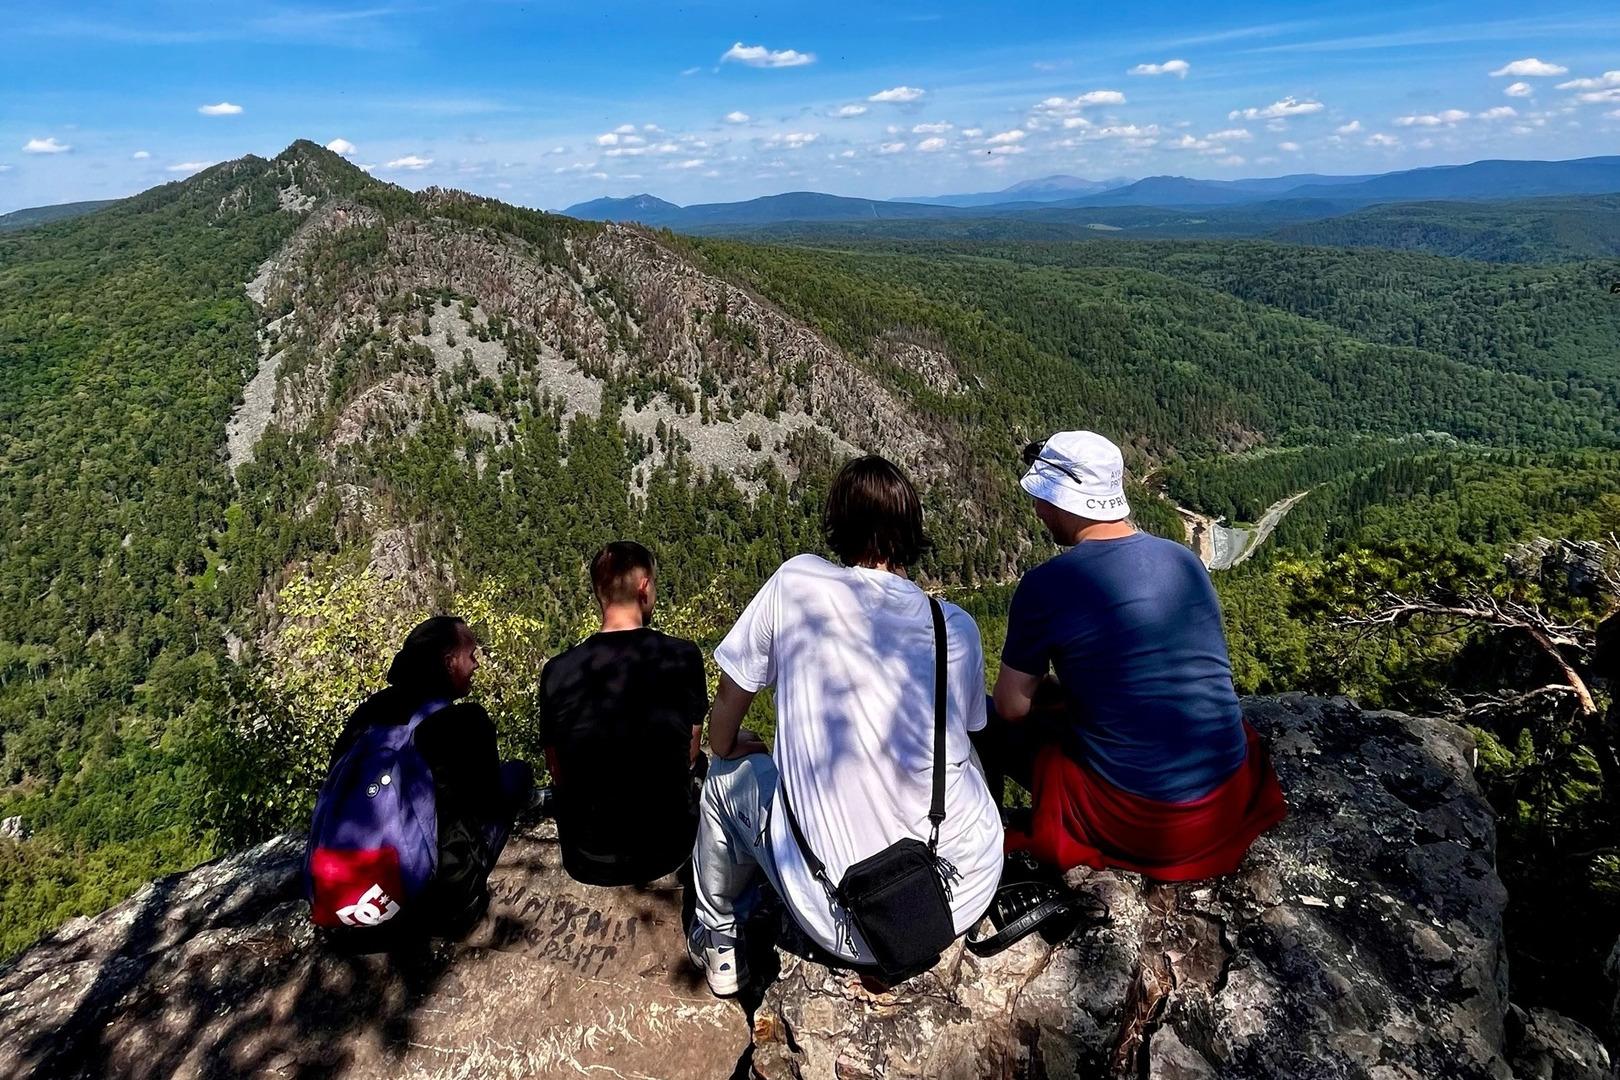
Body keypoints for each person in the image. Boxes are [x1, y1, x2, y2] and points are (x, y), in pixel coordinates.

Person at [687, 455, 1003, 996]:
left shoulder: (797, 583)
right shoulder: (953, 626)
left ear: (839, 526)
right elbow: (974, 729)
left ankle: (718, 938)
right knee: (961, 750)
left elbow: (729, 704)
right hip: (964, 886)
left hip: (838, 915)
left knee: (720, 782)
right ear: (911, 533)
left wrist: (728, 746)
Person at [985, 431, 1286, 882]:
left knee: (982, 717)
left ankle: (978, 838)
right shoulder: (1184, 561)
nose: (1037, 509)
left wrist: (1047, 692)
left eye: (1041, 497)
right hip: (1226, 800)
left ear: (1063, 502)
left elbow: (1012, 707)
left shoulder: (1047, 584)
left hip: (1145, 824)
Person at [329, 616, 535, 929]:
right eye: (471, 656)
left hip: (345, 897)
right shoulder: (464, 721)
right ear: (450, 662)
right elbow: (488, 801)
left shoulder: (367, 715)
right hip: (439, 898)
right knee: (518, 773)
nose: (476, 665)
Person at [539, 541, 707, 886]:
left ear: (599, 593)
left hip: (587, 856)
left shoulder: (557, 671)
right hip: (668, 847)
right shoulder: (683, 656)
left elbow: (556, 768)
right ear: (644, 587)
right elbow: (689, 753)